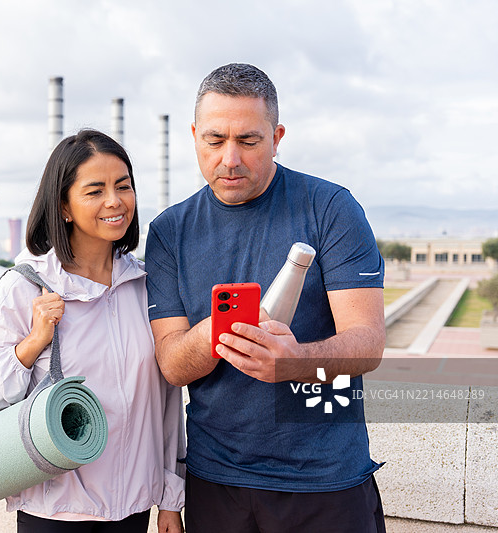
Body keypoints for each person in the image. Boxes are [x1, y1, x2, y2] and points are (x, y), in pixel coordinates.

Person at [145, 63, 387, 532]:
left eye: (249, 141)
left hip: (326, 480)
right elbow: (173, 365)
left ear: (276, 136)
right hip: (216, 482)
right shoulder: (169, 232)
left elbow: (367, 343)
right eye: (214, 140)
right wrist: (221, 328)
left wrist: (295, 362)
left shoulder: (330, 208)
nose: (230, 158)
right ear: (194, 135)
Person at [0, 129, 185, 533]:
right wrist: (31, 344)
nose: (115, 201)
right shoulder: (23, 286)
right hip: (55, 514)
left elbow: (165, 403)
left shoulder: (148, 287)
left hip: (133, 512)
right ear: (64, 206)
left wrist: (170, 500)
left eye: (123, 186)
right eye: (94, 191)